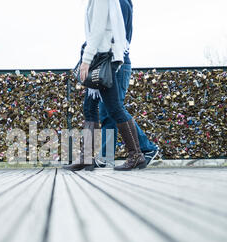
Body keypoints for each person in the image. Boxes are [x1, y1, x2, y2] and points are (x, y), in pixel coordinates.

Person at [64, 0, 146, 171]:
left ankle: (136, 154)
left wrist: (86, 60)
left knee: (114, 108)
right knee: (89, 107)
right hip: (101, 58)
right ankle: (86, 157)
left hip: (103, 59)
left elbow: (98, 30)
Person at [96, 0, 159, 168]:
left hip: (117, 63)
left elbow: (118, 35)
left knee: (115, 109)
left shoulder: (120, 3)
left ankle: (146, 148)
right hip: (112, 62)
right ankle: (106, 156)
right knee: (107, 110)